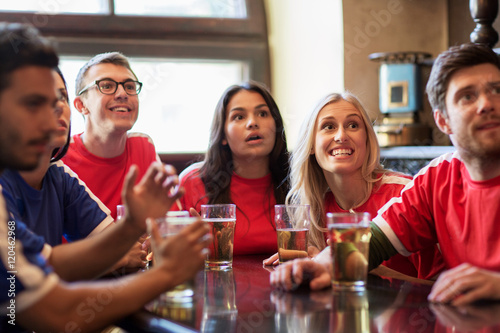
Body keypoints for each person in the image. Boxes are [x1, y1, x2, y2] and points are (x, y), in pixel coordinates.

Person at [0, 22, 209, 332]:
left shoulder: (58, 173)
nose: (51, 121)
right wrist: (165, 274)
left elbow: (50, 263)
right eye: (33, 104)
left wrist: (134, 224)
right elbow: (55, 311)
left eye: (57, 101)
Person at [270, 43, 500, 306]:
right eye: (467, 97)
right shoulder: (437, 178)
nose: (486, 104)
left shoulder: (400, 185)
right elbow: (371, 241)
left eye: (497, 90)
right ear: (443, 121)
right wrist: (319, 266)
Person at [264, 92, 444, 280]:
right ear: (311, 145)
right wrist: (315, 262)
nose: (341, 136)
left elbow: (445, 293)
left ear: (366, 139)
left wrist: (368, 270)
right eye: (329, 127)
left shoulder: (403, 195)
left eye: (353, 125)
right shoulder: (316, 208)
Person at [0, 67, 146, 270]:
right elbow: (26, 275)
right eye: (37, 100)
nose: (58, 106)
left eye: (61, 96)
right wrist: (113, 258)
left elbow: (119, 246)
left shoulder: (59, 175)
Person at [176, 81, 290, 255]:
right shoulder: (193, 181)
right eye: (239, 117)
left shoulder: (298, 181)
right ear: (223, 135)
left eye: (262, 113)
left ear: (276, 126)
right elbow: (169, 254)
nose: (252, 123)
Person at [62, 51, 160, 219]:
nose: (122, 94)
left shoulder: (143, 146)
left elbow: (168, 222)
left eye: (130, 87)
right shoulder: (60, 157)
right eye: (106, 86)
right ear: (81, 105)